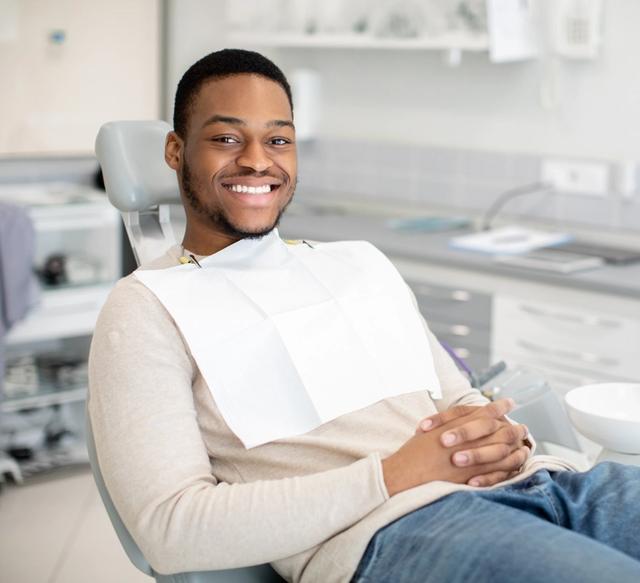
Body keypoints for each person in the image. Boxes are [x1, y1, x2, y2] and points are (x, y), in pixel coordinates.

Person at [88, 49, 640, 583]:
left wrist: (505, 438)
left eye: (278, 139)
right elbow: (170, 529)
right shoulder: (147, 307)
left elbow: (459, 399)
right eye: (227, 138)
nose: (258, 159)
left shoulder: (358, 263)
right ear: (174, 152)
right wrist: (394, 475)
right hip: (403, 531)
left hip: (548, 485)